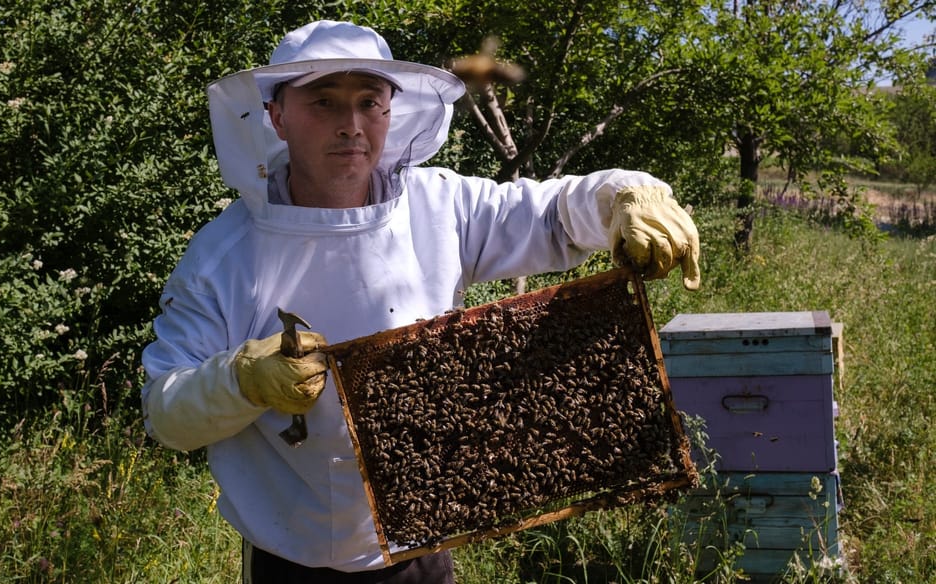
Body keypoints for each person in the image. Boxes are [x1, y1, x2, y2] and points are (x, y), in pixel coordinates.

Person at [140, 19, 700, 584]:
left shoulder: (439, 206)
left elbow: (550, 215)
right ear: (277, 115)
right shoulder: (222, 257)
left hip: (422, 542)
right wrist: (241, 381)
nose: (351, 125)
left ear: (391, 112)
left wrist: (624, 196)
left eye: (368, 102)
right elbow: (165, 412)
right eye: (324, 102)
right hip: (291, 560)